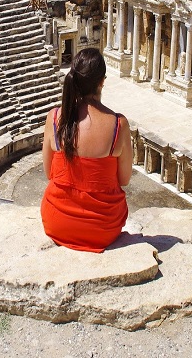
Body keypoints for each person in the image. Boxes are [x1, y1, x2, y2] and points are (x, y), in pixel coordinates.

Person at [40, 48, 132, 252]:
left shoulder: (54, 118)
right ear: (102, 81)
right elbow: (124, 179)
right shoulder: (119, 124)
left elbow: (49, 174)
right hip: (104, 227)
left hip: (57, 222)